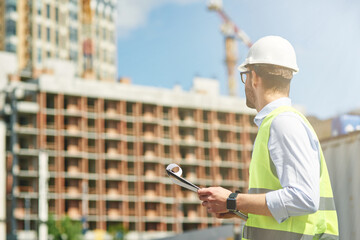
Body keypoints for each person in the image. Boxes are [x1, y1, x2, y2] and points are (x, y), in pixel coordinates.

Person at [198, 36, 339, 240]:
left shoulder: (283, 123)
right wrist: (242, 209)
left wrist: (233, 200)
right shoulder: (278, 123)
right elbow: (291, 213)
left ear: (254, 77)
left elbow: (304, 198)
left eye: (245, 76)